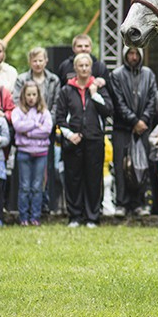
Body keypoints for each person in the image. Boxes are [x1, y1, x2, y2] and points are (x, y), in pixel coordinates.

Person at [56, 53, 113, 228]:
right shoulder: (66, 90)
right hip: (73, 141)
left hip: (94, 140)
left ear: (91, 67)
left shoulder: (99, 88)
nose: (83, 69)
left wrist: (95, 95)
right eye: (80, 65)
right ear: (75, 68)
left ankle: (92, 217)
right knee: (73, 179)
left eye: (86, 65)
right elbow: (59, 117)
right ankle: (75, 216)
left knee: (94, 179)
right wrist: (69, 134)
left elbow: (108, 110)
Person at [109, 46, 157, 217]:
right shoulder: (116, 75)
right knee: (121, 167)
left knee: (141, 166)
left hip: (143, 129)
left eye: (137, 53)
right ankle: (122, 203)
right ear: (125, 55)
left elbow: (152, 99)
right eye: (130, 53)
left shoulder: (149, 74)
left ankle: (139, 203)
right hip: (122, 129)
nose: (134, 56)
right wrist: (134, 121)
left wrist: (143, 120)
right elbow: (118, 102)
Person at [13, 47, 62, 215]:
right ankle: (25, 212)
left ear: (46, 61)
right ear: (30, 62)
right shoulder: (22, 79)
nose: (38, 63)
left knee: (46, 172)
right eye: (34, 60)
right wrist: (34, 126)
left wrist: (47, 122)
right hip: (25, 139)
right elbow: (16, 105)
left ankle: (44, 205)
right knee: (26, 180)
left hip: (45, 134)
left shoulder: (54, 80)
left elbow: (56, 104)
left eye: (41, 60)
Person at [12, 81, 53, 226]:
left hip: (41, 154)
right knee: (24, 186)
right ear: (23, 95)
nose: (31, 97)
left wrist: (27, 132)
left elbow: (47, 130)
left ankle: (35, 217)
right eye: (28, 94)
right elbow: (18, 126)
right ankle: (24, 217)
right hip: (24, 152)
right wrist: (36, 125)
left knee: (37, 186)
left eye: (34, 94)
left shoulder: (45, 112)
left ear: (38, 96)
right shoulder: (17, 111)